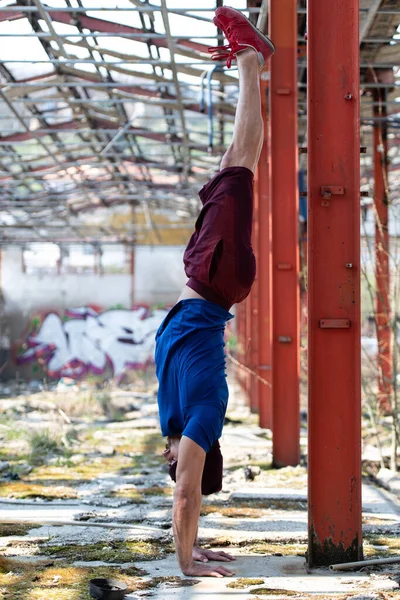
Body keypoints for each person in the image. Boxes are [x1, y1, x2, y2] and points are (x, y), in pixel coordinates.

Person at [155, 6, 275, 579]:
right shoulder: (202, 419)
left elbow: (185, 503)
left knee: (232, 165)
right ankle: (251, 58)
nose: (169, 464)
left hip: (209, 280)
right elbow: (185, 498)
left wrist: (194, 544)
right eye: (179, 465)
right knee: (241, 165)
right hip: (214, 281)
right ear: (197, 459)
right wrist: (186, 569)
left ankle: (251, 63)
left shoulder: (175, 422)